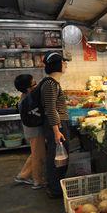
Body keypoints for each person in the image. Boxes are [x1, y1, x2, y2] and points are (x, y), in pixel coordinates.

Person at [41, 52, 70, 198]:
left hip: (58, 124)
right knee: (57, 158)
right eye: (63, 62)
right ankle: (55, 190)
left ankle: (56, 186)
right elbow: (50, 109)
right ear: (57, 65)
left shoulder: (53, 83)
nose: (65, 65)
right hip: (56, 125)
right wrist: (57, 131)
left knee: (60, 157)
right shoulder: (50, 84)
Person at [14, 74, 46, 189]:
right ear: (28, 88)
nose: (36, 85)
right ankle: (37, 180)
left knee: (36, 153)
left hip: (31, 128)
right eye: (34, 83)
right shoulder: (29, 98)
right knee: (38, 155)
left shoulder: (25, 96)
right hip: (34, 129)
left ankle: (23, 175)